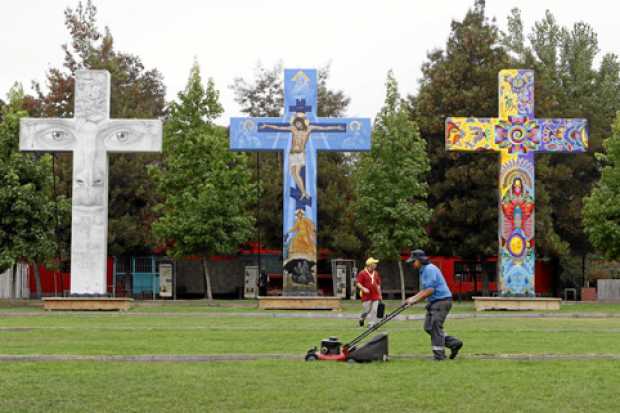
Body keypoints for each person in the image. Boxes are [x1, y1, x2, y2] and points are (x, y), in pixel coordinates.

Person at [260, 112, 344, 200]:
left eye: (299, 122)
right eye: (296, 123)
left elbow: (324, 128)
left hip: (300, 154)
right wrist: (267, 125)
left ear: (303, 122)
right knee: (293, 174)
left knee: (297, 173)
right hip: (292, 153)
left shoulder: (309, 129)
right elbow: (279, 128)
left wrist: (336, 127)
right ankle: (303, 192)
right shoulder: (293, 129)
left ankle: (304, 192)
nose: (297, 124)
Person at [405, 249, 463, 361]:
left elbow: (430, 290)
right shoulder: (423, 270)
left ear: (419, 260)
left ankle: (439, 356)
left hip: (441, 301)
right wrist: (412, 299)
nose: (412, 264)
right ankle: (454, 343)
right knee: (428, 327)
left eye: (413, 261)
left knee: (435, 327)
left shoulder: (429, 269)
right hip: (435, 302)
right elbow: (424, 291)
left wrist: (414, 300)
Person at [356, 257, 382, 328]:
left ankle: (371, 323)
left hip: (375, 295)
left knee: (374, 310)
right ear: (370, 265)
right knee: (366, 310)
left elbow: (378, 285)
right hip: (366, 296)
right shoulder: (362, 273)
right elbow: (358, 283)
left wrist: (380, 295)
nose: (376, 265)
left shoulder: (376, 273)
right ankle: (361, 319)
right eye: (374, 263)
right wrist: (363, 288)